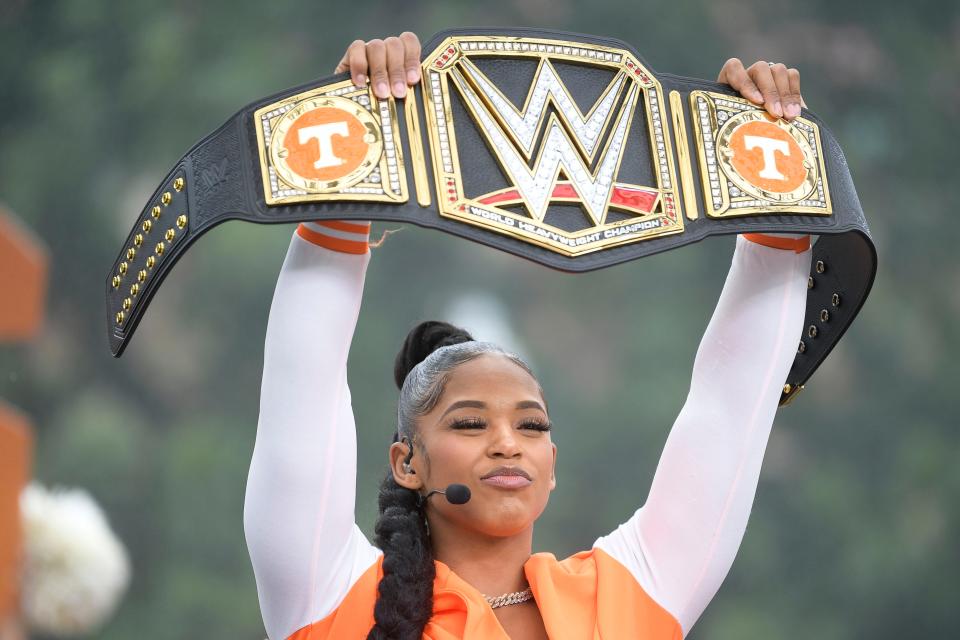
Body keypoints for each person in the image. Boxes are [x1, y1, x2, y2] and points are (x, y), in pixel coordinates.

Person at [244, 32, 812, 640]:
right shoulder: (332, 595)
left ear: (553, 464)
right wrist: (356, 140)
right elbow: (304, 385)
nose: (508, 444)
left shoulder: (627, 597)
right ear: (407, 461)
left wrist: (766, 163)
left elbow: (729, 408)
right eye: (469, 423)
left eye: (532, 425)